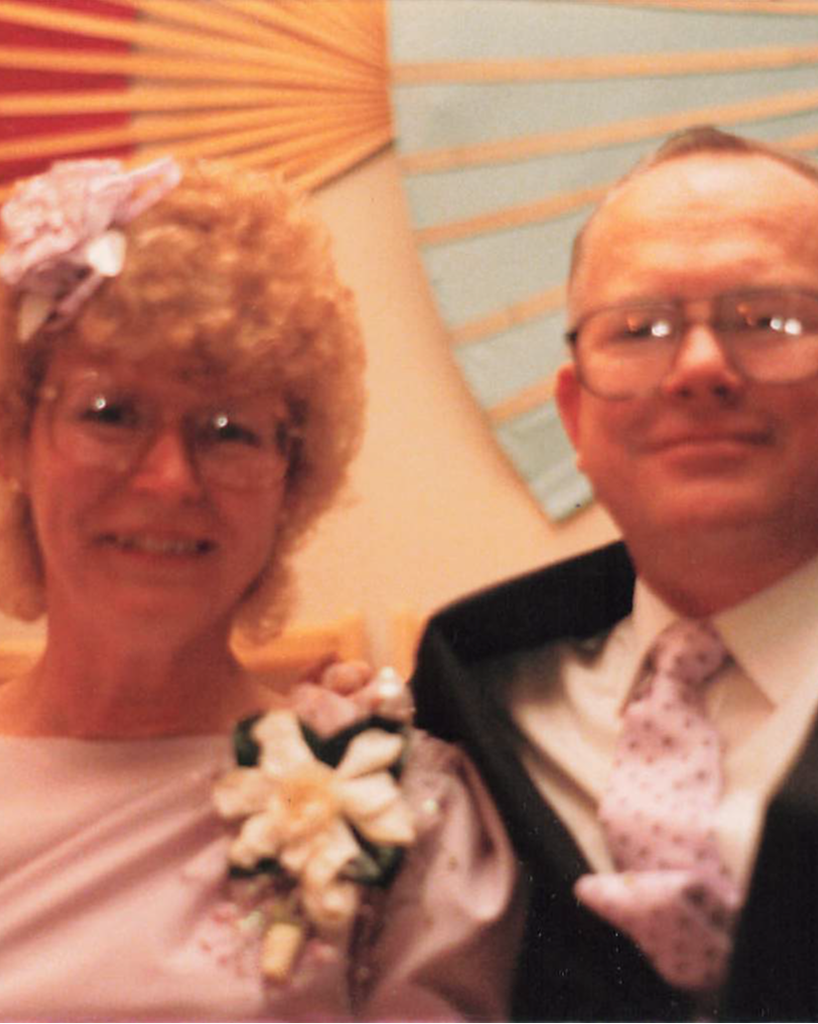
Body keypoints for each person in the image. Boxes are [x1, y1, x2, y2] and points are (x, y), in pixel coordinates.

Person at [0, 155, 520, 1023]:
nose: (169, 478)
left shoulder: (403, 807)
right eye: (111, 414)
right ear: (18, 435)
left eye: (228, 431)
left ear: (292, 481)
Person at [411, 125, 818, 1023]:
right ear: (575, 418)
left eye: (769, 320)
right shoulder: (468, 695)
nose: (701, 366)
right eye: (640, 330)